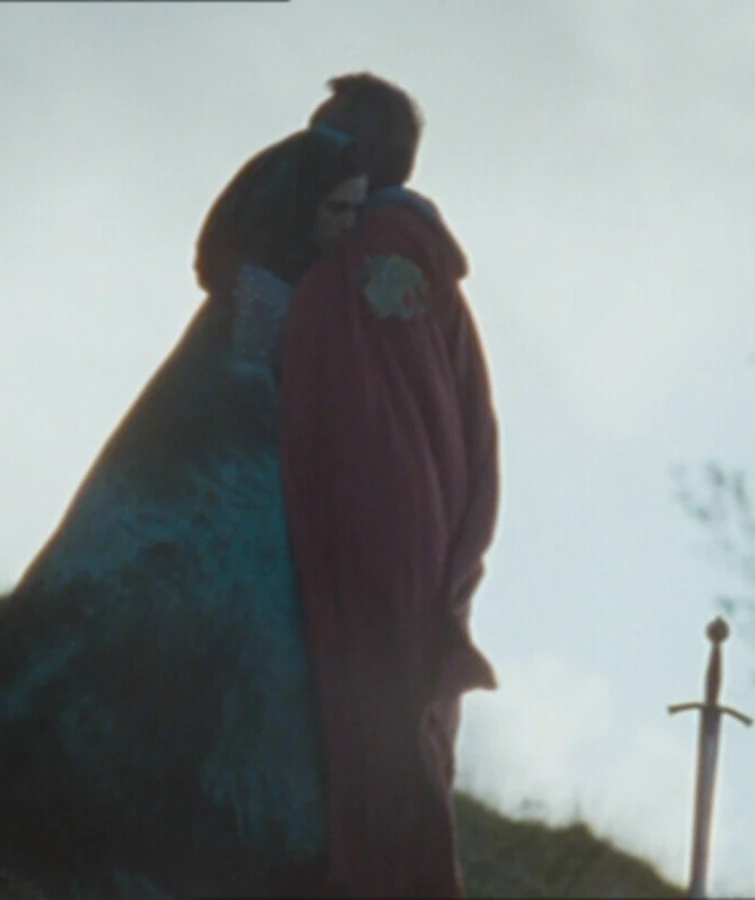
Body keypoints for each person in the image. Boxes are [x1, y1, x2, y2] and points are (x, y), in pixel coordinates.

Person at [0, 125, 367, 900]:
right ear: (300, 206)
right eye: (336, 208)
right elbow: (241, 390)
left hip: (243, 499)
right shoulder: (261, 289)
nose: (346, 226)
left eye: (355, 210)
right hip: (200, 500)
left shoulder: (298, 284)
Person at [281, 73, 502, 898]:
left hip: (377, 535)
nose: (309, 150)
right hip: (419, 539)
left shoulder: (374, 249)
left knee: (373, 731)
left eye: (326, 133)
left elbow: (366, 410)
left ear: (366, 151)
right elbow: (476, 436)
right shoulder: (426, 273)